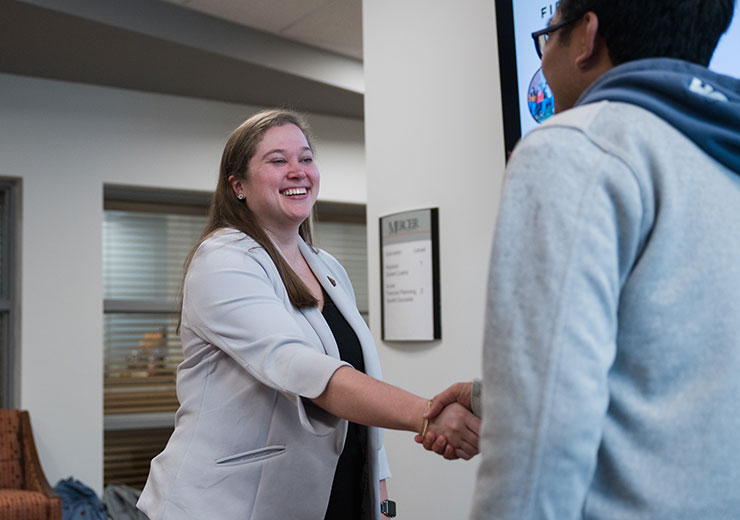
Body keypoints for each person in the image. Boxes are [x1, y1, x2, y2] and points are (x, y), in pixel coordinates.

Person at [465, 0, 740, 518]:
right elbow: (682, 370)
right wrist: (486, 397)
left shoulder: (572, 148)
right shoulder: (723, 150)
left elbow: (544, 425)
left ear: (586, 37)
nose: (543, 60)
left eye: (548, 37)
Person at [136, 109, 481, 520]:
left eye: (306, 158)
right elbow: (303, 369)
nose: (298, 171)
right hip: (226, 504)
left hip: (333, 494)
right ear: (238, 185)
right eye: (278, 161)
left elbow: (359, 379)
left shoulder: (327, 267)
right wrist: (428, 415)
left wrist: (380, 492)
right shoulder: (222, 260)